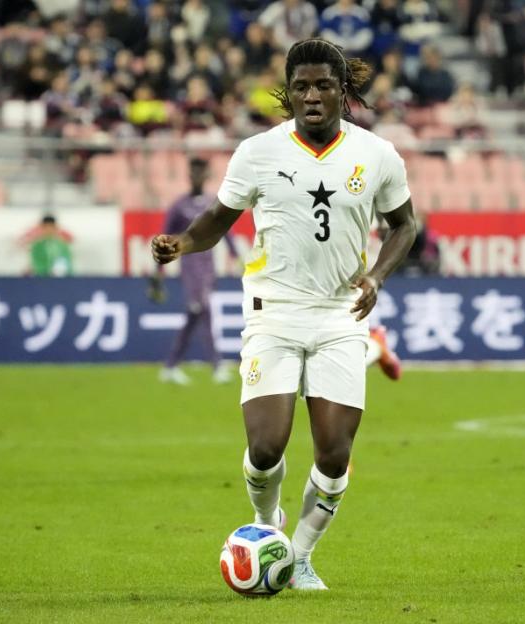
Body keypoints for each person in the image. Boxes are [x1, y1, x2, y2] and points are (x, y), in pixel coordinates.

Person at [151, 38, 416, 590]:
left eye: (323, 85)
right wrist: (180, 243)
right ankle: (264, 522)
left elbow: (405, 225)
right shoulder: (257, 153)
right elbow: (217, 219)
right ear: (287, 95)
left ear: (343, 93)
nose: (312, 96)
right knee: (265, 447)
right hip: (273, 311)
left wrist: (377, 276)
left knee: (335, 452)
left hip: (342, 314)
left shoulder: (377, 155)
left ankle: (297, 555)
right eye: (301, 87)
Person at [159, 157, 235, 386]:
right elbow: (165, 239)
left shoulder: (212, 203)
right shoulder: (179, 206)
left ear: (207, 176)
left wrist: (235, 254)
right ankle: (217, 365)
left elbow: (225, 230)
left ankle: (170, 366)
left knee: (194, 315)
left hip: (208, 267)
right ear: (189, 176)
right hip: (190, 267)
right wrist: (158, 270)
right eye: (193, 172)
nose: (196, 177)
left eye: (200, 172)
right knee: (204, 310)